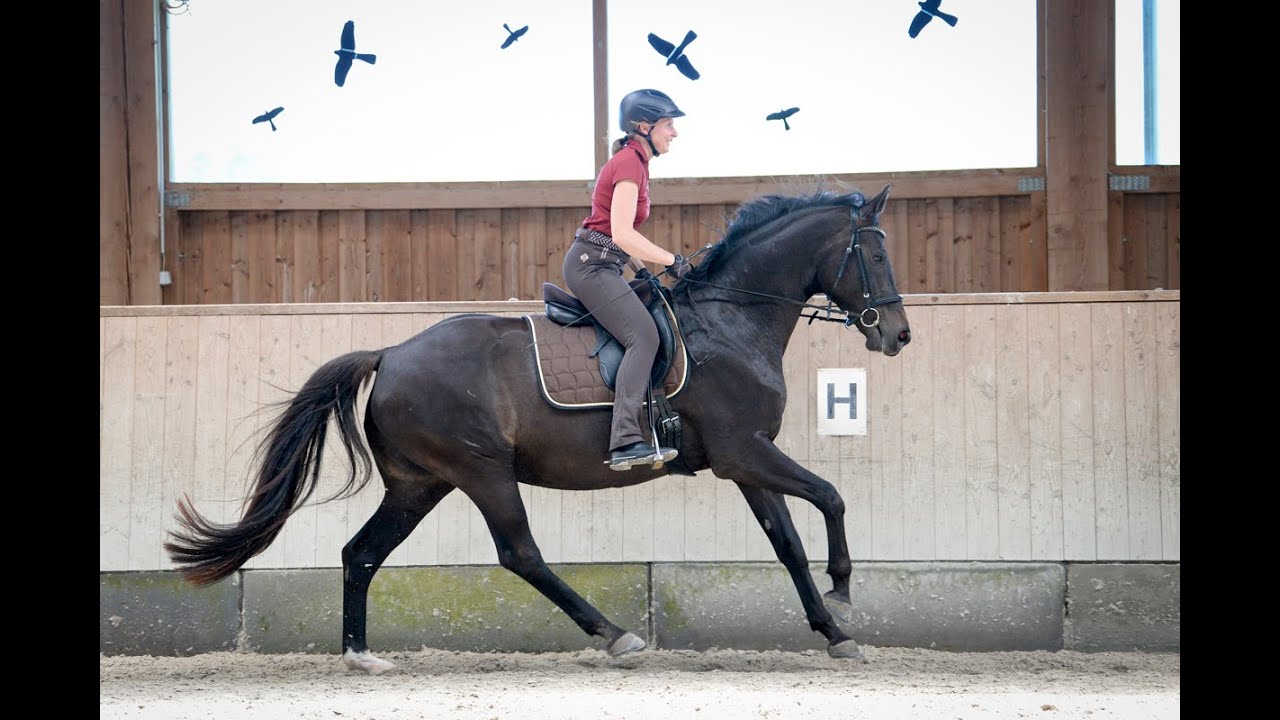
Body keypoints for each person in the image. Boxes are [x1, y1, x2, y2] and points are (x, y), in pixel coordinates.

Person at [563, 88, 694, 471]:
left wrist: (641, 271)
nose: (674, 133)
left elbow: (617, 236)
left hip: (606, 263)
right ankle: (624, 441)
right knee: (644, 336)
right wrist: (671, 260)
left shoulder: (636, 162)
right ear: (644, 126)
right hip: (591, 266)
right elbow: (620, 233)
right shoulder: (629, 163)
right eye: (669, 125)